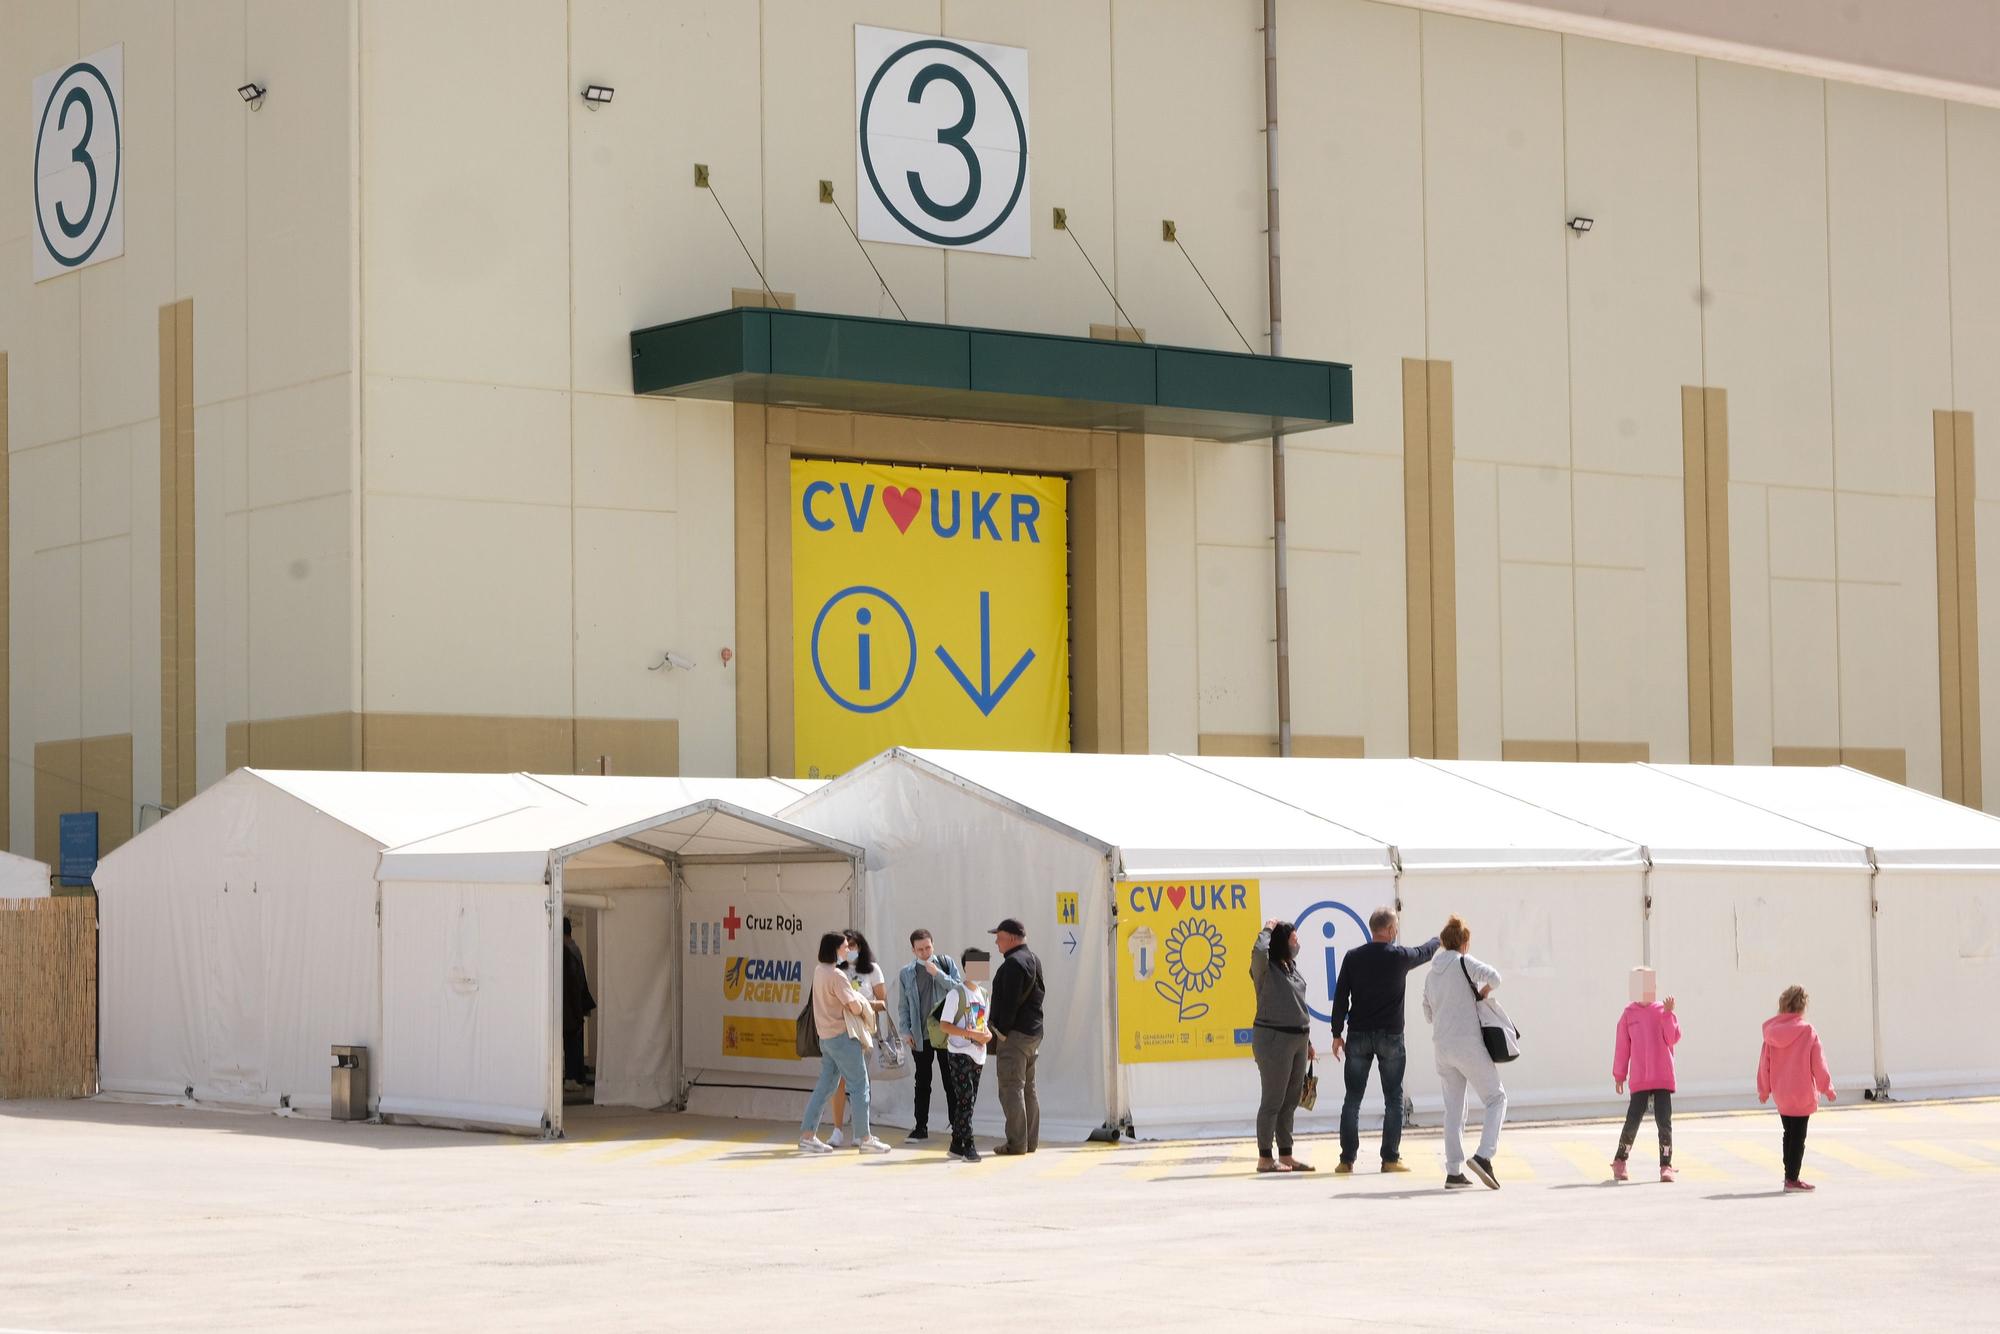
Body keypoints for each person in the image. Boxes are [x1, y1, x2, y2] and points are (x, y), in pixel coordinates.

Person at [1330, 907, 1440, 1174]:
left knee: (1352, 1099)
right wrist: (1439, 939)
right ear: (1390, 930)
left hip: (1358, 1035)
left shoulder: (1353, 957)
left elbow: (1341, 995)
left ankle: (1347, 1160)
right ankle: (1390, 1158)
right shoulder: (1399, 956)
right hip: (1390, 1036)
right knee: (1393, 1098)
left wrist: (1336, 1034)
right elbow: (1424, 952)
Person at [1422, 914, 1506, 1190]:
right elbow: (1495, 977)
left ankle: (1454, 1172)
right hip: (1467, 1043)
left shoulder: (1431, 973)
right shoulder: (1463, 962)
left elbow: (1427, 1013)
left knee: (1454, 1110)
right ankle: (1484, 1156)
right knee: (1496, 1098)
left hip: (1442, 1048)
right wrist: (1481, 993)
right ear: (1464, 943)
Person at [799, 931, 891, 1155]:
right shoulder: (837, 976)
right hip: (843, 1036)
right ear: (835, 950)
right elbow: (854, 1006)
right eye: (844, 947)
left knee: (825, 1086)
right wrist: (862, 1003)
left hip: (826, 1038)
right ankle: (865, 1138)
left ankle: (807, 1136)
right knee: (860, 1085)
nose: (848, 951)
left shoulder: (819, 971)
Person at [1249, 920, 1316, 1173]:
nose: (1297, 943)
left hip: (1298, 1038)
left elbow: (1297, 1004)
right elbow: (1258, 953)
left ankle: (1286, 1154)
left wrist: (1307, 1042)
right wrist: (1266, 930)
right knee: (1273, 1100)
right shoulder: (1266, 970)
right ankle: (1265, 1157)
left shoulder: (1292, 968)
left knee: (1290, 1101)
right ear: (1281, 942)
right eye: (1293, 939)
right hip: (1273, 1039)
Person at [1757, 984, 1835, 1192]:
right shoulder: (1807, 1031)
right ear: (1802, 1007)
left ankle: (1788, 1176)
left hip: (1782, 1093)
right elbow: (1818, 1062)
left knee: (1788, 1133)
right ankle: (1792, 1178)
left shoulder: (1771, 1034)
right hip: (1802, 1093)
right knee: (1798, 1137)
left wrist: (1764, 1090)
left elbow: (1765, 1064)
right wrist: (1827, 1087)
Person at [1611, 966, 1680, 1182]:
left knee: (1664, 1122)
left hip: (1662, 1076)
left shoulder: (1662, 1011)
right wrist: (1619, 1074)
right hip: (1640, 1078)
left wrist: (1669, 1014)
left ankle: (1666, 1165)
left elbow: (1673, 1038)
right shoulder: (1628, 1014)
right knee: (1632, 1120)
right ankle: (1620, 1160)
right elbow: (1622, 1047)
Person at [987, 917, 1045, 1156]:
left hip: (1014, 1036)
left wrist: (1000, 1031)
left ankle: (1016, 1143)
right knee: (1028, 1089)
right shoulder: (1033, 959)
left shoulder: (1012, 964)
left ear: (1011, 938)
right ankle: (1029, 1142)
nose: (996, 943)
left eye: (999, 938)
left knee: (1011, 1088)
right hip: (1033, 1033)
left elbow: (1009, 1003)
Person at [897, 928, 962, 1142]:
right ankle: (920, 1127)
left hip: (944, 1033)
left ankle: (957, 1127)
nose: (925, 952)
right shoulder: (907, 973)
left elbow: (960, 991)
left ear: (933, 945)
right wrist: (905, 1030)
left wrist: (938, 974)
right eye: (920, 949)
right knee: (922, 1082)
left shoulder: (945, 964)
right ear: (913, 950)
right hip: (920, 1034)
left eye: (928, 947)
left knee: (950, 1081)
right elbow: (903, 1005)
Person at [827, 929, 887, 1147]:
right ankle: (836, 1130)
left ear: (861, 947)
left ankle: (860, 1131)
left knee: (860, 1082)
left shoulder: (872, 970)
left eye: (853, 946)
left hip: (863, 1032)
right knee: (839, 1081)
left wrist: (860, 1003)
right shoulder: (835, 970)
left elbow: (882, 1003)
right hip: (840, 1031)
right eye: (846, 946)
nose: (849, 950)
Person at [936, 947, 994, 1162]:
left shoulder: (984, 994)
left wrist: (985, 1036)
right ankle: (968, 1144)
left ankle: (955, 1144)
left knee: (968, 1101)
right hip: (959, 1052)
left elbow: (983, 1023)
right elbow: (944, 1025)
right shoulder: (956, 993)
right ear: (968, 968)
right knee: (965, 1099)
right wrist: (968, 1034)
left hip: (978, 1052)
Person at [562, 916, 596, 1092]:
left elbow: (571, 984)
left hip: (569, 1007)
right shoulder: (576, 949)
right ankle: (578, 1076)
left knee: (570, 1043)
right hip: (576, 1006)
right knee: (575, 1042)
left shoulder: (566, 952)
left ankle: (572, 1077)